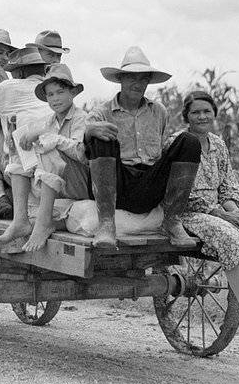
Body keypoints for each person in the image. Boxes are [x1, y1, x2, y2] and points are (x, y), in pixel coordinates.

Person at [168, 90, 239, 339]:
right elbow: (178, 190)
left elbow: (228, 185)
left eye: (206, 112)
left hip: (219, 212)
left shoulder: (218, 144)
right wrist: (221, 215)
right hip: (187, 213)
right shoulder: (178, 142)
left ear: (214, 114)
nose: (202, 116)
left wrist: (234, 210)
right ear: (186, 116)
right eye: (195, 112)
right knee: (229, 237)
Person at [85, 46, 200, 248]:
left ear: (148, 82)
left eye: (143, 78)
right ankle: (106, 223)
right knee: (102, 135)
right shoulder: (101, 113)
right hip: (115, 182)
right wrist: (88, 132)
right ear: (121, 80)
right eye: (132, 78)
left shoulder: (158, 111)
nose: (137, 84)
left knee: (189, 141)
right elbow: (81, 152)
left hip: (147, 183)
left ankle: (172, 220)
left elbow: (160, 148)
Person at [0, 64, 89, 252]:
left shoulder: (81, 118)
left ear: (73, 93)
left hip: (79, 183)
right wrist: (29, 142)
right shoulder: (49, 121)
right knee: (21, 150)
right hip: (56, 184)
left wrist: (53, 139)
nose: (55, 99)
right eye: (50, 95)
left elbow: (82, 154)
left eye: (60, 92)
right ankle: (20, 220)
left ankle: (43, 223)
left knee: (49, 149)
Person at [0, 47, 52, 220]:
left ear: (19, 73)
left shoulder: (6, 87)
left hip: (23, 167)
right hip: (52, 165)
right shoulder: (52, 90)